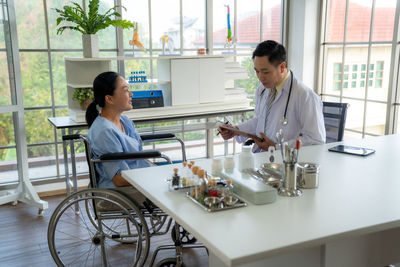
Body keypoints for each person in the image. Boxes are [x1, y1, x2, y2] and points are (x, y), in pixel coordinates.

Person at [218, 40, 326, 152]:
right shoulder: (262, 89)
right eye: (257, 71)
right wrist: (236, 130)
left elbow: (316, 140)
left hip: (286, 162)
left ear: (282, 67)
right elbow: (260, 120)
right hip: (261, 158)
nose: (260, 77)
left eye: (265, 72)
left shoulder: (305, 96)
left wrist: (277, 147)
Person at [86, 71, 153, 205]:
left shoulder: (125, 121)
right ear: (109, 99)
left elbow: (141, 157)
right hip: (119, 191)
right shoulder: (104, 131)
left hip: (138, 180)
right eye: (126, 90)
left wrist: (158, 170)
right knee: (176, 192)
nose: (131, 94)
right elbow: (118, 179)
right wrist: (153, 176)